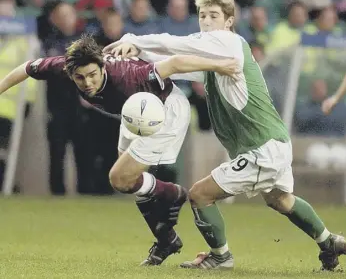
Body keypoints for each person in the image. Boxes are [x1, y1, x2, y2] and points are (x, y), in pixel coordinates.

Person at [104, 0, 346, 271]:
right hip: (272, 143)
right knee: (280, 199)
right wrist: (135, 56)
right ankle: (329, 241)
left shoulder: (230, 42)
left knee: (199, 194)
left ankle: (221, 257)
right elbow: (174, 63)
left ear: (229, 21)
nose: (207, 21)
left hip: (263, 148)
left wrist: (133, 39)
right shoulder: (212, 60)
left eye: (214, 16)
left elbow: (179, 44)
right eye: (202, 16)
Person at [0, 34, 239, 266]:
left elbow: (175, 63)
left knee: (119, 177)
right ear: (69, 72)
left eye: (92, 75)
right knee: (126, 182)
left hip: (164, 109)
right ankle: (167, 238)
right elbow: (26, 68)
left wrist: (221, 66)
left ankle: (172, 194)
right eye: (80, 78)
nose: (87, 83)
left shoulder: (129, 77)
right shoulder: (64, 66)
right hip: (133, 113)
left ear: (103, 67)